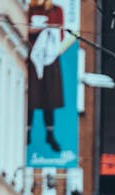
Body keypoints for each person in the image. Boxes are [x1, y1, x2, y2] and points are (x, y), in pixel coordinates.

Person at [27, 0, 65, 153]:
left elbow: (60, 33)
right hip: (33, 56)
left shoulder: (56, 10)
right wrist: (35, 31)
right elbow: (25, 31)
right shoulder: (31, 9)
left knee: (49, 97)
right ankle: (27, 132)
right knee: (31, 96)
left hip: (50, 57)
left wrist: (45, 30)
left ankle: (49, 134)